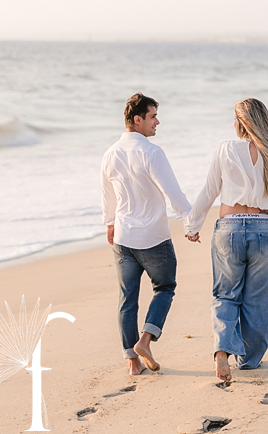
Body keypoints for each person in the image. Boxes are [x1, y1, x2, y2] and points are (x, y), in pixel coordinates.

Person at [184, 98, 268, 381]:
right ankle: (249, 360)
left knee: (226, 294)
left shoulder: (225, 150)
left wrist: (192, 224)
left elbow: (209, 191)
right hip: (266, 230)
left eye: (234, 119)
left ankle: (222, 350)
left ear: (241, 123)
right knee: (259, 298)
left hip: (229, 230)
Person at [101, 92, 192, 375]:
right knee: (165, 288)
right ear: (137, 120)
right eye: (153, 116)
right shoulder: (152, 152)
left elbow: (107, 194)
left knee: (127, 299)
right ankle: (145, 340)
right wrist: (190, 221)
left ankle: (133, 363)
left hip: (123, 239)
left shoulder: (110, 153)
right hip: (153, 238)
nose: (158, 122)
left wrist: (109, 223)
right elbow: (173, 192)